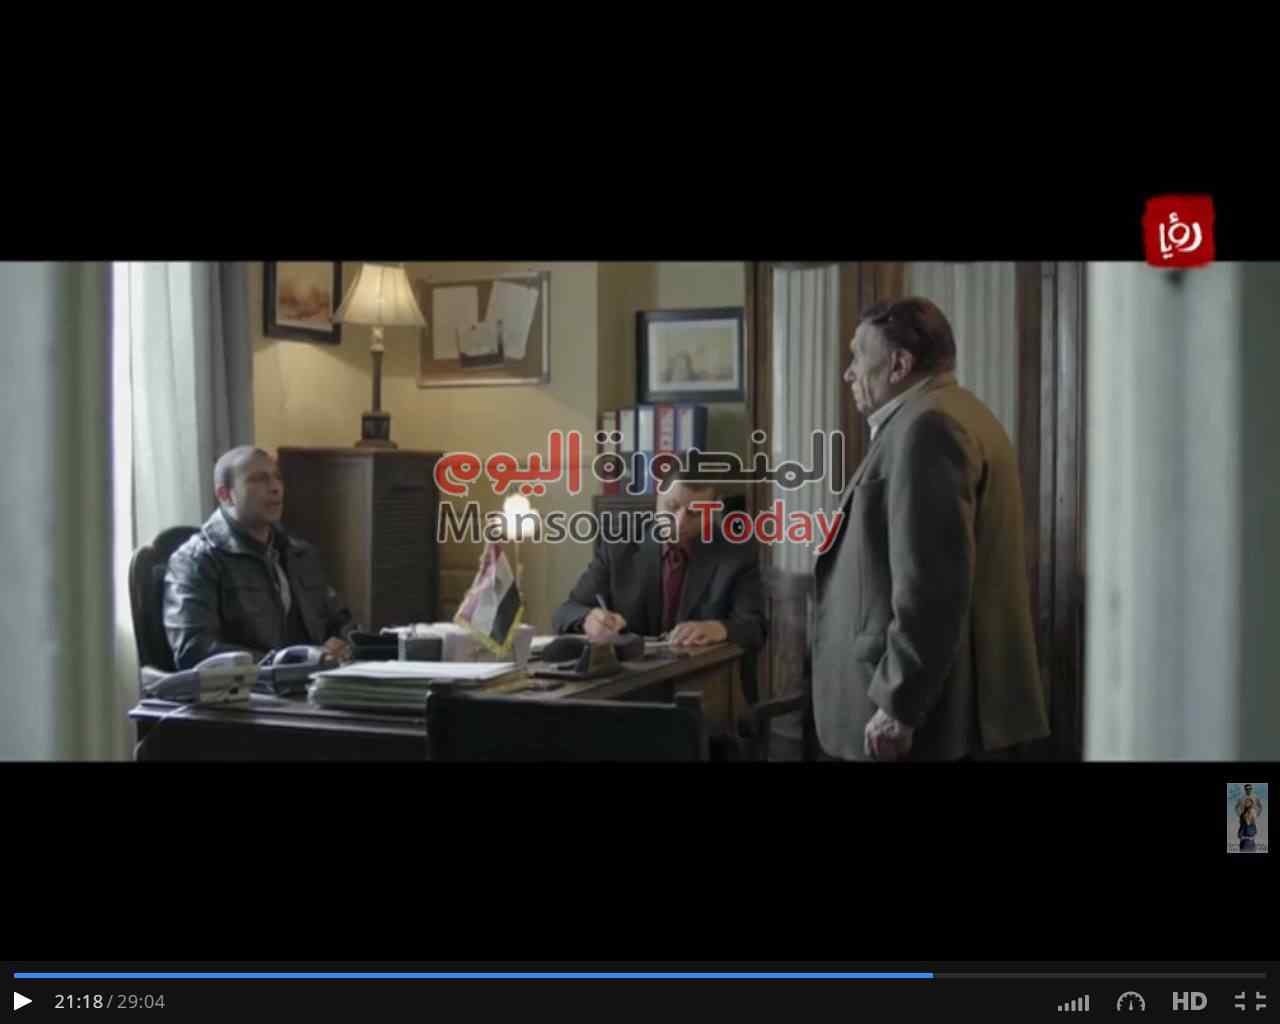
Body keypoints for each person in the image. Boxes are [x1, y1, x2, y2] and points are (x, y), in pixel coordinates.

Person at [813, 297, 1050, 762]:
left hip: (928, 715)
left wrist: (898, 704)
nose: (848, 373)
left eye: (858, 356)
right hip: (946, 703)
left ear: (900, 364)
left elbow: (932, 585)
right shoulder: (955, 411)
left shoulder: (929, 426)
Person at [552, 470, 767, 687]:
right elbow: (566, 612)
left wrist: (719, 628)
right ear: (657, 499)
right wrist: (589, 619)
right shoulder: (619, 548)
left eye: (694, 513)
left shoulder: (736, 553)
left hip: (704, 683)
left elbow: (754, 627)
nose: (680, 522)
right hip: (627, 684)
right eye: (671, 507)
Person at [164, 446, 356, 670]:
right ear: (225, 495)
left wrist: (343, 644)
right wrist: (286, 661)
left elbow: (342, 622)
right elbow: (193, 649)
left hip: (315, 682)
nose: (275, 488)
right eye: (258, 479)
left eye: (277, 478)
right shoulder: (195, 560)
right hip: (248, 688)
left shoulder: (300, 554)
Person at [1235, 784, 1263, 851]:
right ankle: (1243, 848)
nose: (1248, 790)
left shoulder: (1255, 797)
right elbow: (1236, 807)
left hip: (1252, 819)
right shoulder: (1241, 798)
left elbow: (1260, 806)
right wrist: (1240, 815)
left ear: (1251, 789)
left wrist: (1257, 815)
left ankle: (1251, 848)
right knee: (1242, 833)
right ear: (1245, 789)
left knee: (1252, 833)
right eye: (1247, 789)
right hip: (1243, 819)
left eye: (1250, 788)